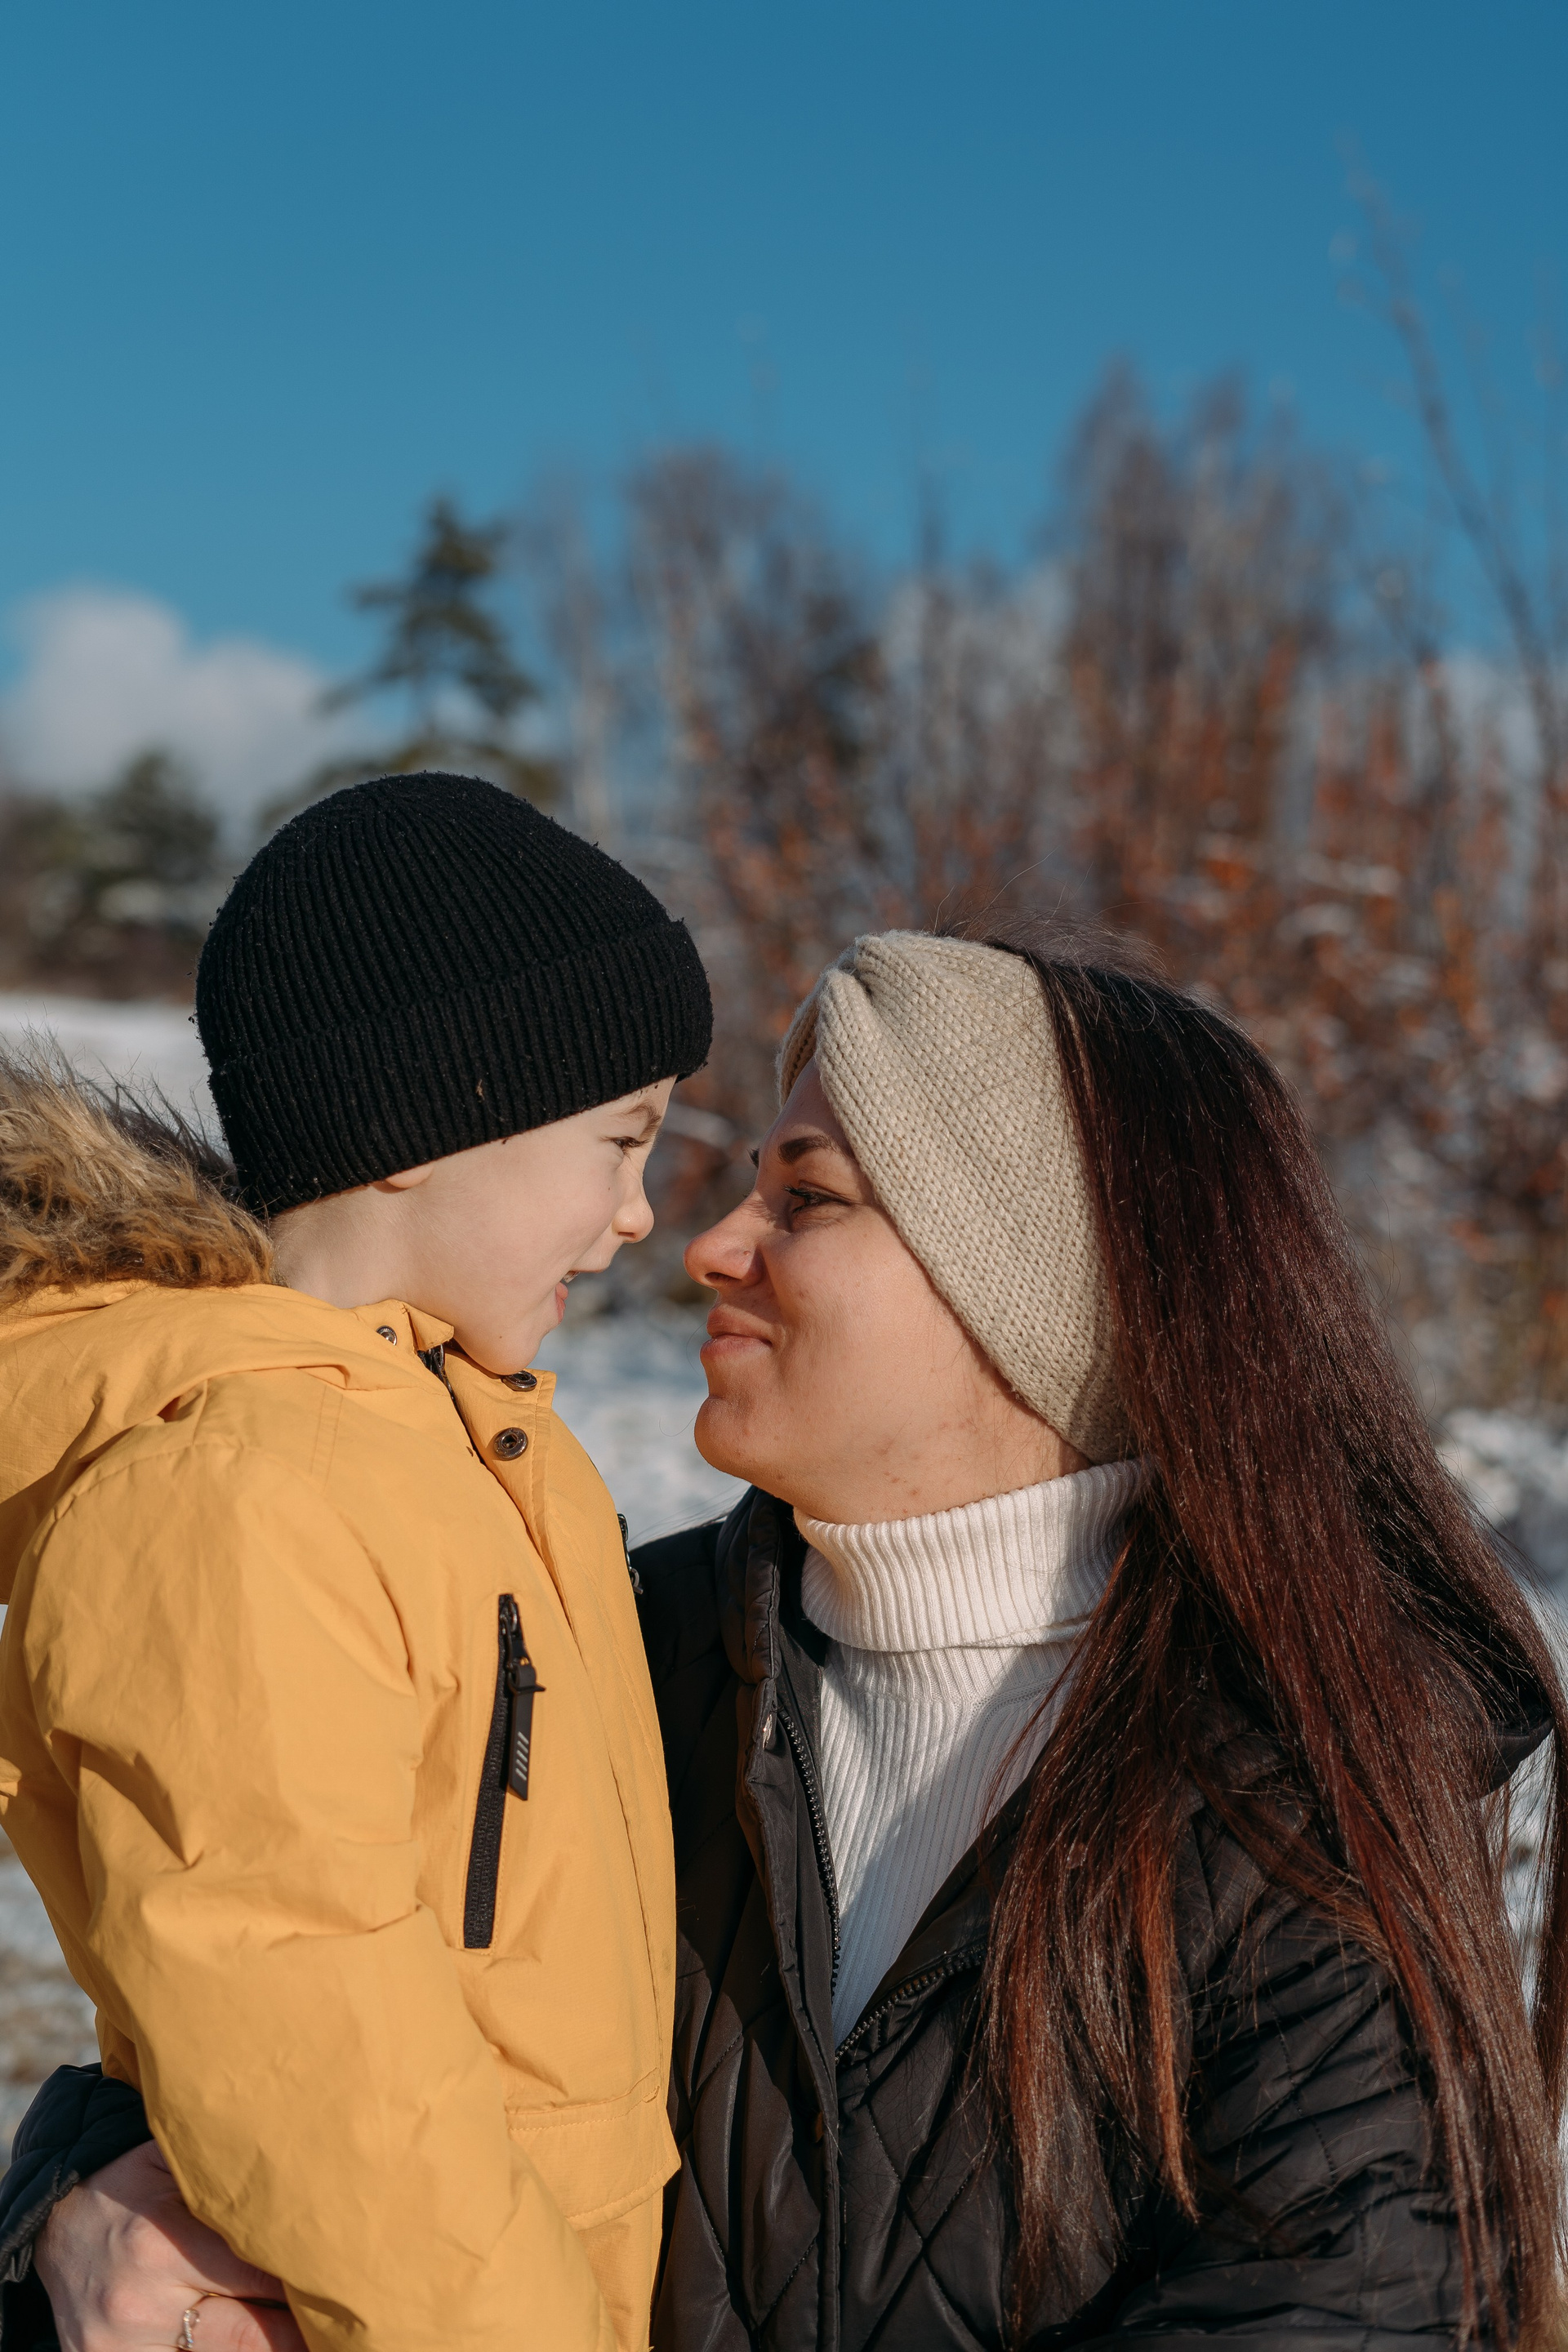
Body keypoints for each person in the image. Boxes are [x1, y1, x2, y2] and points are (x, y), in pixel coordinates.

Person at [13, 929, 1568, 2349]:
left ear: (1041, 1289)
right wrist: (71, 2224)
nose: (707, 1244)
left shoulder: (1301, 1784)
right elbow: (301, 2038)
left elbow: (1355, 2309)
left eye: (806, 1200)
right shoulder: (614, 1657)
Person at [0, 771, 712, 2352]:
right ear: (426, 1123)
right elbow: (310, 2032)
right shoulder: (238, 1486)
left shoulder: (477, 1446)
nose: (635, 1215)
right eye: (618, 1142)